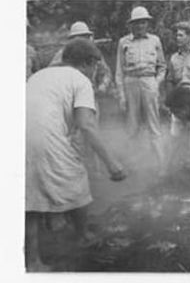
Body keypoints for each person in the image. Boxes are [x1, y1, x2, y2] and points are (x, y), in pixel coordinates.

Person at [26, 38, 127, 271]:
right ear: (88, 63)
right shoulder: (80, 79)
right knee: (77, 180)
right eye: (95, 66)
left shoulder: (39, 75)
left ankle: (32, 262)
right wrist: (112, 164)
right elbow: (86, 124)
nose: (94, 72)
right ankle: (82, 236)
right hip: (45, 139)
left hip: (16, 137)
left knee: (29, 197)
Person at [115, 6, 167, 173]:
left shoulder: (155, 40)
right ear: (131, 25)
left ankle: (161, 166)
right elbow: (119, 71)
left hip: (149, 81)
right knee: (132, 125)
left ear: (147, 24)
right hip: (130, 82)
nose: (140, 26)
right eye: (136, 23)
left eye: (143, 22)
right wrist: (122, 96)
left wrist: (156, 84)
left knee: (154, 125)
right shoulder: (124, 42)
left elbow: (162, 67)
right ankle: (133, 165)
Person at [49, 21, 113, 94]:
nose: (83, 40)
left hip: (89, 92)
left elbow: (105, 72)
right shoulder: (63, 53)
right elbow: (51, 72)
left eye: (85, 36)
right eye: (80, 37)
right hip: (70, 93)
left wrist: (103, 86)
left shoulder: (92, 52)